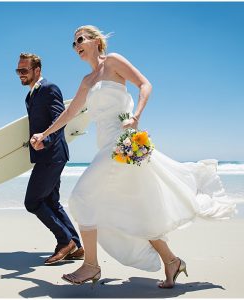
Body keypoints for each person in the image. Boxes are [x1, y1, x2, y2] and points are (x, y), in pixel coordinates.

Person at [30, 26, 236, 288]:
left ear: (96, 41)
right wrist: (45, 133)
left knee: (82, 197)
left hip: (122, 143)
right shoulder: (87, 81)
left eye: (80, 39)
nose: (76, 45)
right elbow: (70, 113)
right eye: (73, 43)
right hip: (106, 147)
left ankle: (91, 266)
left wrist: (136, 115)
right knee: (134, 209)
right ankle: (171, 261)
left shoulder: (113, 61)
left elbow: (145, 84)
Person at [16, 53, 84, 265]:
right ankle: (76, 246)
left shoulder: (49, 89)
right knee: (51, 202)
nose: (20, 74)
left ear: (37, 70)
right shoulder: (30, 96)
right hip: (46, 156)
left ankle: (64, 242)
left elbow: (59, 119)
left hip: (52, 154)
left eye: (24, 70)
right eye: (18, 71)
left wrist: (46, 140)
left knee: (33, 202)